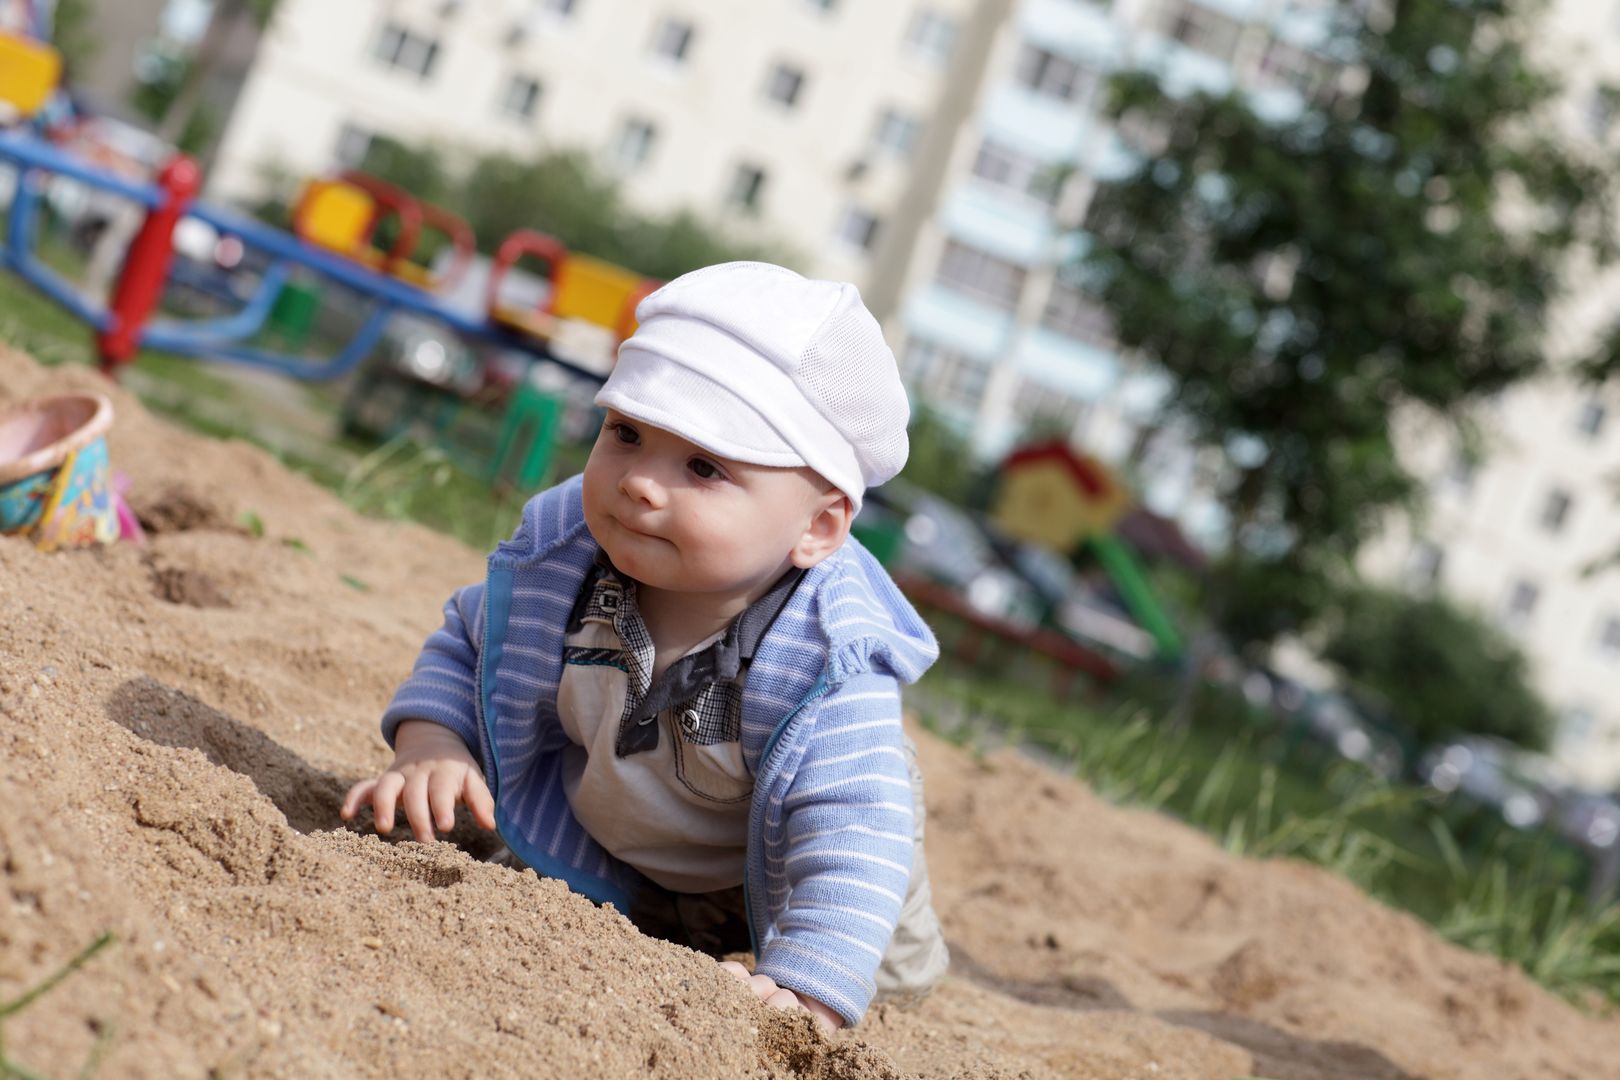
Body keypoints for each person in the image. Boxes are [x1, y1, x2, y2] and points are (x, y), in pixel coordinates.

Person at [341, 261, 948, 1029]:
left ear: (816, 528)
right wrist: (435, 743)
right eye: (626, 433)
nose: (640, 483)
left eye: (703, 465)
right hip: (629, 846)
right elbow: (472, 643)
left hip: (791, 872)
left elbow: (854, 831)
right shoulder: (561, 557)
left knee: (874, 964)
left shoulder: (827, 662)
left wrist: (812, 991)